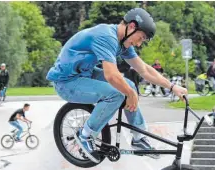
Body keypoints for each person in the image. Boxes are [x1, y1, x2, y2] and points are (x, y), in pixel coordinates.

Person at [46, 8, 187, 162]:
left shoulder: (123, 43)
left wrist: (173, 87)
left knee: (129, 85)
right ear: (132, 27)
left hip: (84, 73)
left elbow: (145, 70)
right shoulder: (106, 36)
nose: (139, 44)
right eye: (141, 38)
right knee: (117, 94)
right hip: (66, 81)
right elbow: (111, 76)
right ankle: (85, 136)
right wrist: (130, 94)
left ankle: (138, 138)